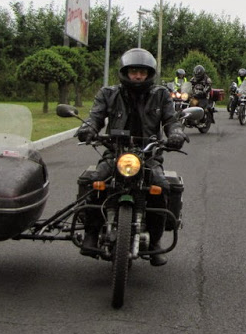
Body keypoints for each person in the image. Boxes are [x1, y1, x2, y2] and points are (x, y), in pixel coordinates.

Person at [75, 48, 188, 266]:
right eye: (134, 71)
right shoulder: (108, 93)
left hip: (148, 154)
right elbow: (95, 116)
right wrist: (87, 128)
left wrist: (176, 133)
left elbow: (171, 120)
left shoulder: (161, 95)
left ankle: (154, 242)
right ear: (125, 72)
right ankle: (91, 233)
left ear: (149, 74)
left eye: (142, 72)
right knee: (95, 181)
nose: (137, 76)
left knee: (160, 186)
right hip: (115, 151)